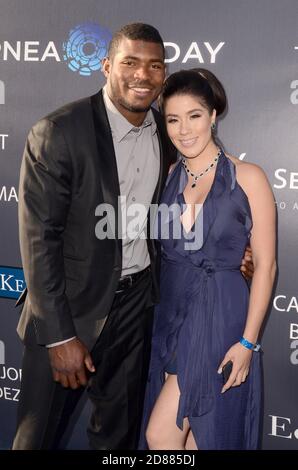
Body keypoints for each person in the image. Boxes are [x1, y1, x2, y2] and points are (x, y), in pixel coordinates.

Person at [13, 22, 253, 450]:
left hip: (137, 311)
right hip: (72, 312)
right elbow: (39, 240)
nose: (142, 75)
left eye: (154, 65)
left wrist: (235, 246)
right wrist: (58, 336)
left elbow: (208, 188)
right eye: (130, 62)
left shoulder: (169, 131)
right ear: (106, 66)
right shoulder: (60, 131)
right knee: (38, 437)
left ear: (164, 74)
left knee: (118, 441)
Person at [140, 69, 276, 450]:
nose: (183, 129)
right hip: (171, 314)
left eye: (194, 116)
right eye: (172, 119)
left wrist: (247, 344)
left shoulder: (248, 178)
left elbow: (266, 266)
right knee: (199, 441)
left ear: (213, 115)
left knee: (161, 434)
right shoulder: (166, 177)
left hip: (220, 316)